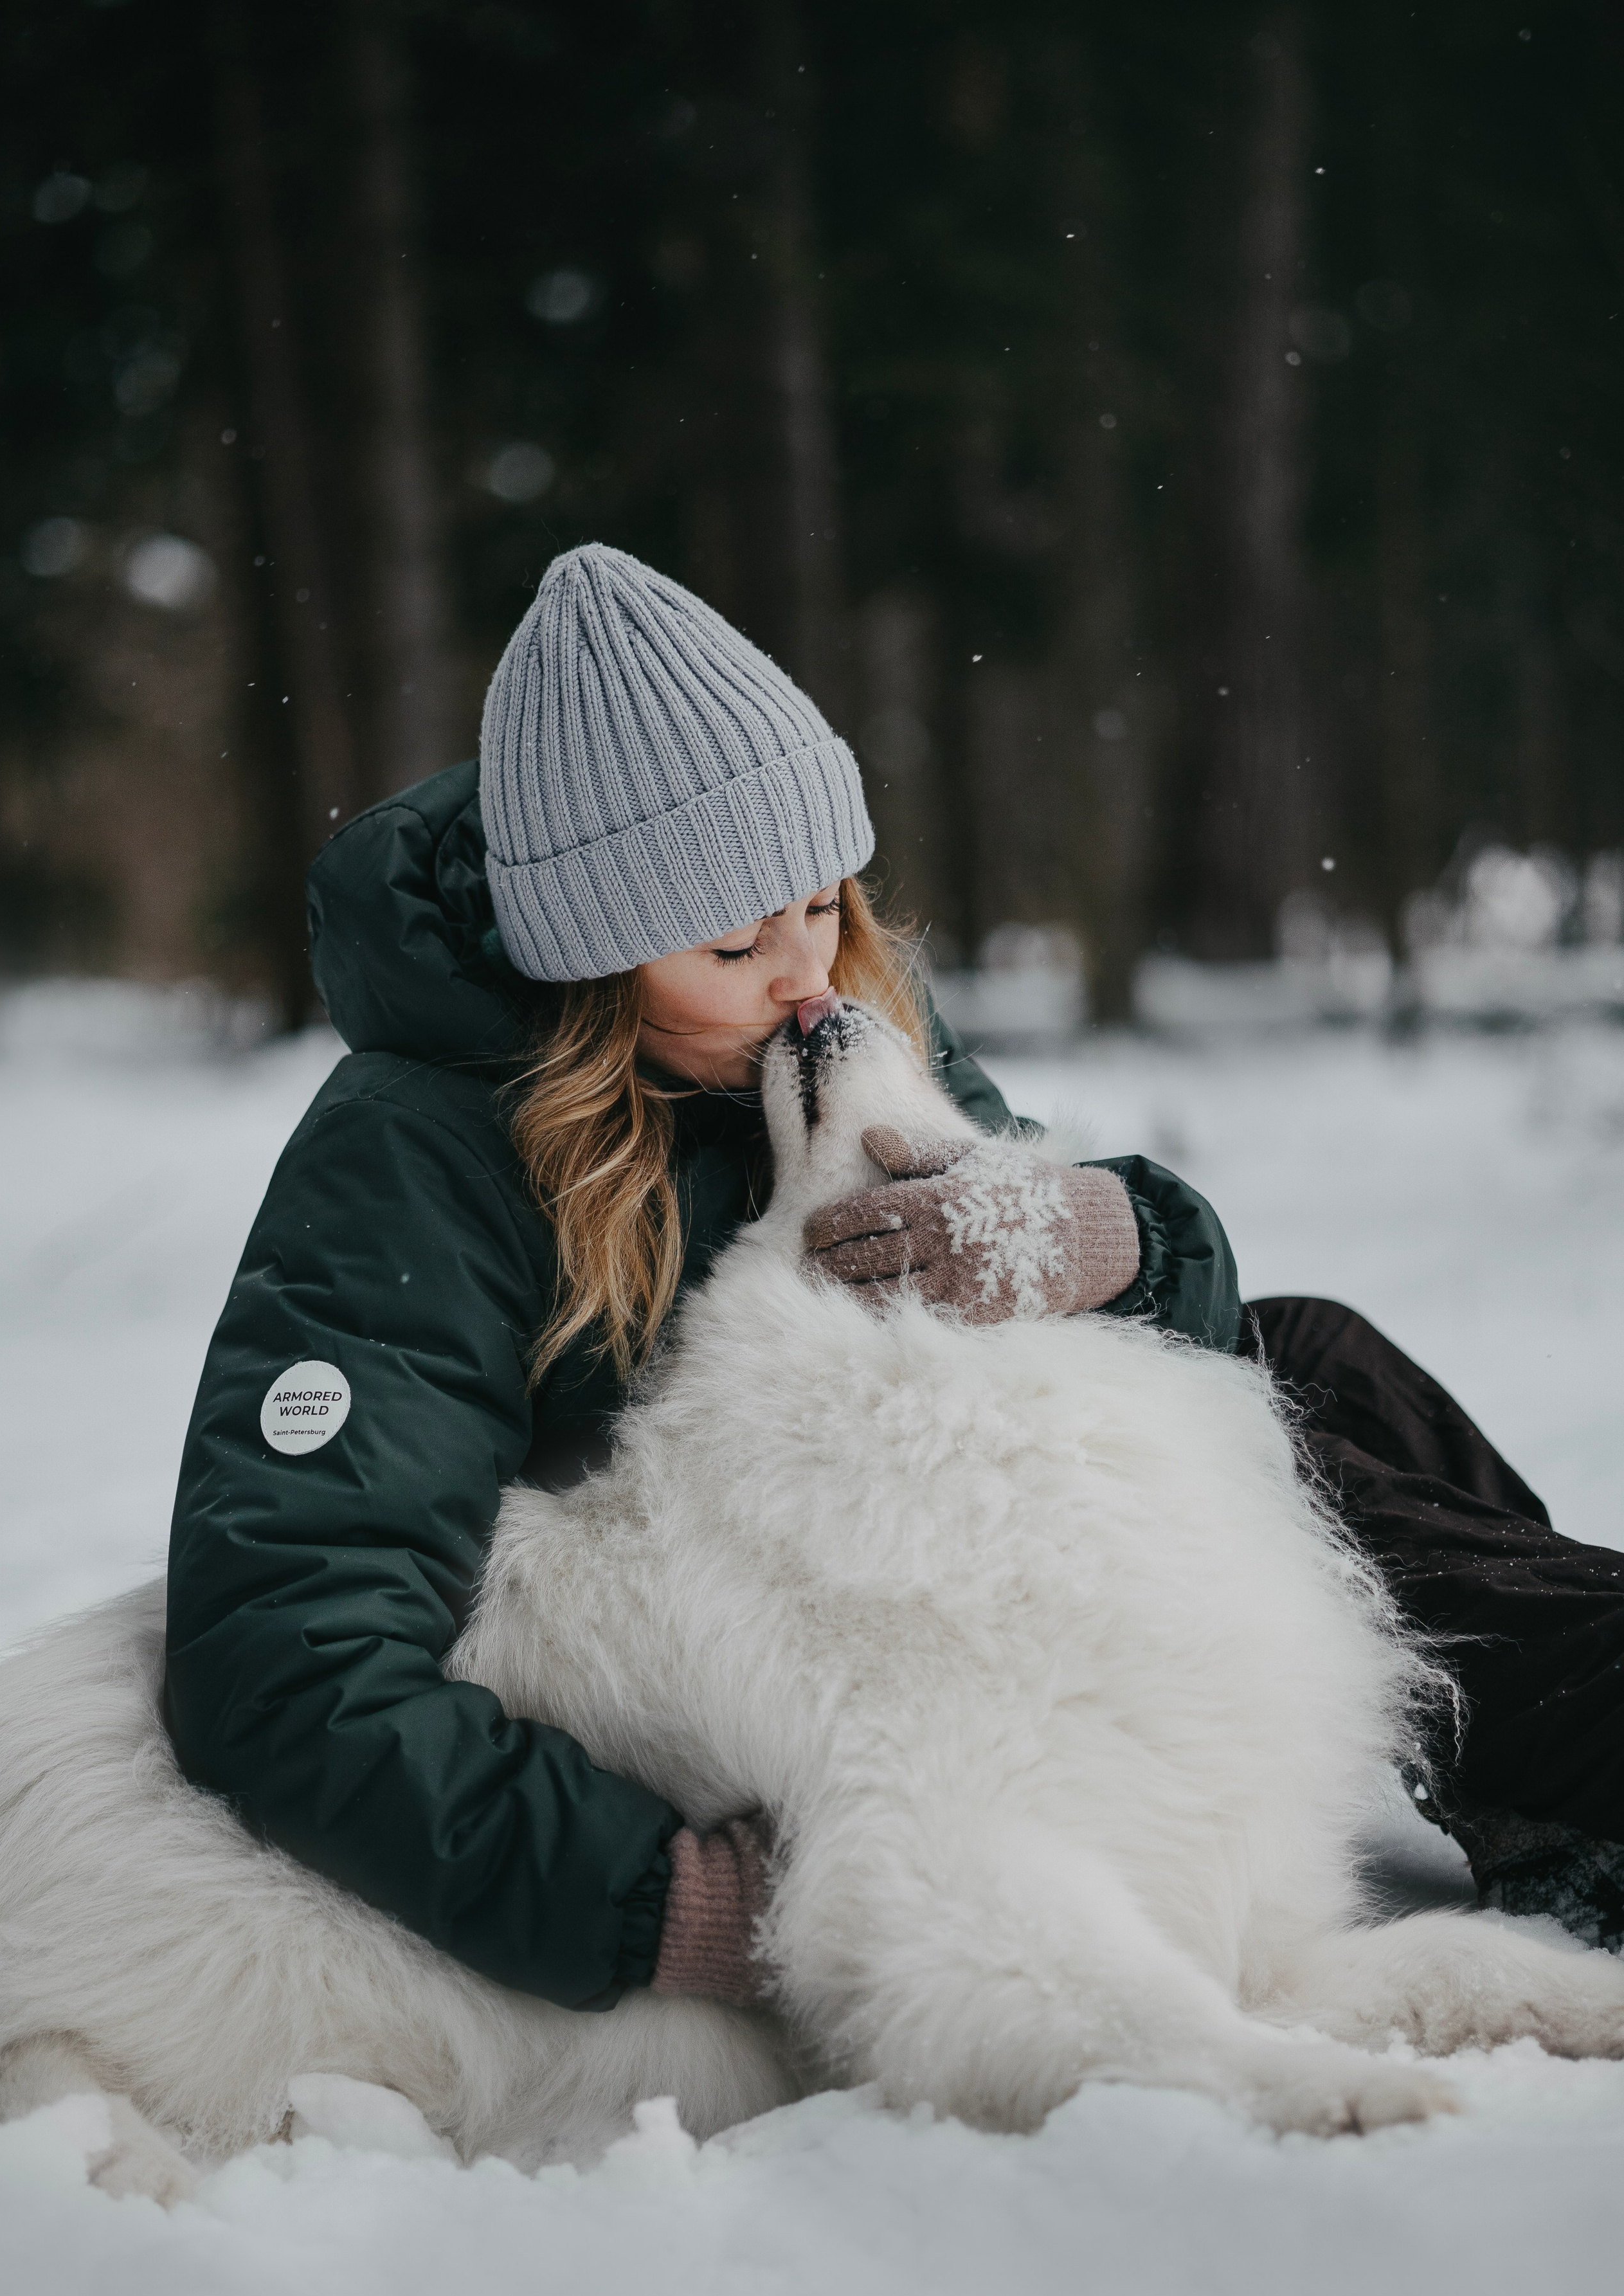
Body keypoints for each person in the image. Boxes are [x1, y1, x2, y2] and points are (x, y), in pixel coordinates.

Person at [165, 545, 1624, 2016]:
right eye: (732, 942)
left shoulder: (818, 999)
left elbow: (1056, 1278)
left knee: (1305, 1352)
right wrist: (650, 1900)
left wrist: (1107, 1237)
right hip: (759, 1616)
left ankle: (1532, 1789)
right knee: (1285, 1451)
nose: (805, 974)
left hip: (915, 1528)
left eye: (821, 903)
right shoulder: (416, 1152)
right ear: (589, 962)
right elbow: (290, 1648)